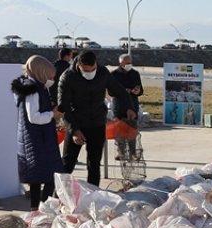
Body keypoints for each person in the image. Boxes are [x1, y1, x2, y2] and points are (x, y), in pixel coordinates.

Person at [57, 49, 131, 186]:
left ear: (96, 64)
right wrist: (74, 130)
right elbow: (64, 107)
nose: (90, 73)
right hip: (76, 122)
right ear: (79, 65)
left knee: (94, 164)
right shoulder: (68, 77)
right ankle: (59, 196)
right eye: (86, 70)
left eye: (93, 69)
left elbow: (119, 91)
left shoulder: (103, 73)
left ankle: (93, 196)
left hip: (97, 123)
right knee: (67, 164)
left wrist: (129, 107)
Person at [11, 55, 64, 210]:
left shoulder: (35, 87)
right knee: (48, 176)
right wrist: (52, 115)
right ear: (41, 73)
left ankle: (38, 209)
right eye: (50, 76)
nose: (52, 80)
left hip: (37, 138)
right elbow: (34, 117)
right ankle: (41, 209)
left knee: (38, 177)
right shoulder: (33, 90)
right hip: (37, 139)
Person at [110, 52, 143, 161]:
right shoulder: (114, 74)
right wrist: (124, 91)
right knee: (119, 130)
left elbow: (140, 90)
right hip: (119, 106)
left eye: (130, 62)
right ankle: (121, 152)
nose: (129, 64)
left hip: (133, 104)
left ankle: (133, 152)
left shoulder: (135, 73)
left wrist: (137, 91)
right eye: (126, 63)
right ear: (121, 63)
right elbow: (111, 92)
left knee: (132, 130)